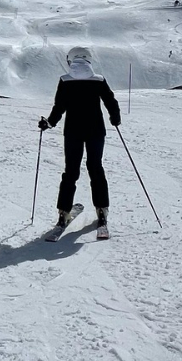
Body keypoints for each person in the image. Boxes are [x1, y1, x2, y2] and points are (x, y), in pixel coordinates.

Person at [38, 47, 121, 237]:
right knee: (96, 168)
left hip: (73, 132)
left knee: (71, 171)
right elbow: (111, 101)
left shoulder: (65, 80)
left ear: (71, 60)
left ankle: (63, 213)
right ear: (89, 60)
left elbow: (59, 107)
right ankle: (102, 211)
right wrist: (115, 118)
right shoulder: (98, 80)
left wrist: (49, 123)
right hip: (96, 131)